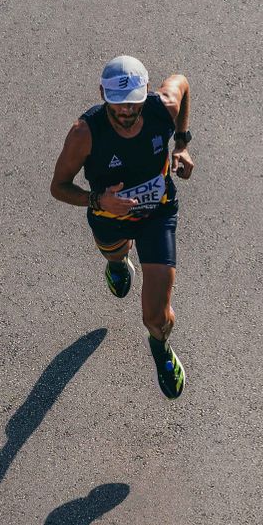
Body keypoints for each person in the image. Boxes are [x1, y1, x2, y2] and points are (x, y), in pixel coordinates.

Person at [49, 54, 195, 399]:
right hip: (109, 219)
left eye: (133, 102)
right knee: (115, 255)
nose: (126, 111)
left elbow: (182, 82)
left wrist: (182, 144)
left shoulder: (163, 108)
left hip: (157, 215)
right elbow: (58, 187)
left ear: (146, 92)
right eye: (118, 103)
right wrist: (98, 201)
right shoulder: (84, 133)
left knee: (156, 316)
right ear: (102, 94)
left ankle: (160, 347)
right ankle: (117, 263)